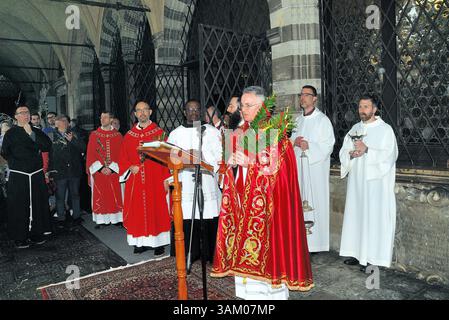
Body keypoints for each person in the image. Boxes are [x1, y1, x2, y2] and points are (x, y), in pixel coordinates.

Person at [211, 86, 313, 299]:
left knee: (267, 259)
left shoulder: (275, 133)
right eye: (242, 106)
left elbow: (282, 172)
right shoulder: (238, 132)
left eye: (249, 105)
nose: (244, 110)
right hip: (242, 207)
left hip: (267, 211)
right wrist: (230, 165)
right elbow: (227, 171)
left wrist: (249, 163)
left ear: (263, 106)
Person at [339, 95, 398, 271]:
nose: (362, 110)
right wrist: (351, 154)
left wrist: (367, 151)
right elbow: (344, 150)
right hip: (357, 182)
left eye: (366, 107)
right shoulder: (355, 128)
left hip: (375, 184)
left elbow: (390, 155)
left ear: (374, 109)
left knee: (374, 218)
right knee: (357, 216)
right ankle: (357, 253)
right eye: (360, 107)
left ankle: (373, 258)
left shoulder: (385, 129)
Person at [167, 99, 222, 264]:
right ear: (184, 112)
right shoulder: (175, 134)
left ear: (201, 112)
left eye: (196, 109)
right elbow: (170, 158)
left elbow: (220, 156)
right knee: (188, 219)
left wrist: (204, 158)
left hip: (206, 181)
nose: (193, 113)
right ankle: (191, 252)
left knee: (208, 216)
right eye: (190, 110)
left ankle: (210, 253)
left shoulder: (211, 131)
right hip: (186, 182)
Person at [119, 101, 170, 256]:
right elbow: (122, 157)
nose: (142, 113)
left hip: (155, 179)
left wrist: (167, 179)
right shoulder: (129, 136)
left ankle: (158, 243)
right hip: (135, 181)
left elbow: (167, 158)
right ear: (135, 114)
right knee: (137, 212)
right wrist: (130, 166)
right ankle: (139, 242)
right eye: (138, 110)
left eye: (144, 110)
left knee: (157, 209)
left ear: (150, 112)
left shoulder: (159, 133)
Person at [290, 85, 335, 253]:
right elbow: (290, 144)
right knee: (299, 203)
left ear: (314, 98)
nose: (302, 97)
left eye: (306, 95)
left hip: (314, 171)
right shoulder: (297, 121)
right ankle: (300, 242)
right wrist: (294, 143)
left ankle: (315, 245)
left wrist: (310, 146)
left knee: (314, 203)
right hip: (299, 170)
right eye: (301, 94)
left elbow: (328, 145)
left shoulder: (323, 120)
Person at [0, 105, 52, 248]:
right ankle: (20, 237)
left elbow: (47, 146)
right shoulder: (10, 134)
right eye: (22, 113)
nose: (26, 115)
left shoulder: (36, 131)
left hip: (35, 174)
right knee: (19, 206)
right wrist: (17, 162)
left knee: (37, 204)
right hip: (19, 175)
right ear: (16, 116)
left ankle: (37, 233)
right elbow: (5, 152)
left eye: (27, 112)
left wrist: (31, 134)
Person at [48, 115, 86, 228]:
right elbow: (48, 155)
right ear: (56, 123)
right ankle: (61, 218)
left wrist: (72, 140)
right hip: (59, 171)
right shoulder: (51, 136)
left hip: (74, 170)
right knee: (60, 196)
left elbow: (83, 148)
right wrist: (49, 171)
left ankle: (77, 216)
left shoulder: (74, 134)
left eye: (65, 121)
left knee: (75, 194)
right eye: (60, 121)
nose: (63, 123)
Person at [86, 112, 123, 228]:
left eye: (105, 117)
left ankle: (116, 219)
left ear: (111, 119)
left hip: (114, 172)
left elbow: (121, 155)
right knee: (101, 196)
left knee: (115, 195)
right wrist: (101, 168)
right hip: (99, 172)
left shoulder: (118, 135)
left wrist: (112, 168)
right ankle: (102, 220)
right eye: (101, 117)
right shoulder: (94, 135)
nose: (102, 119)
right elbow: (91, 154)